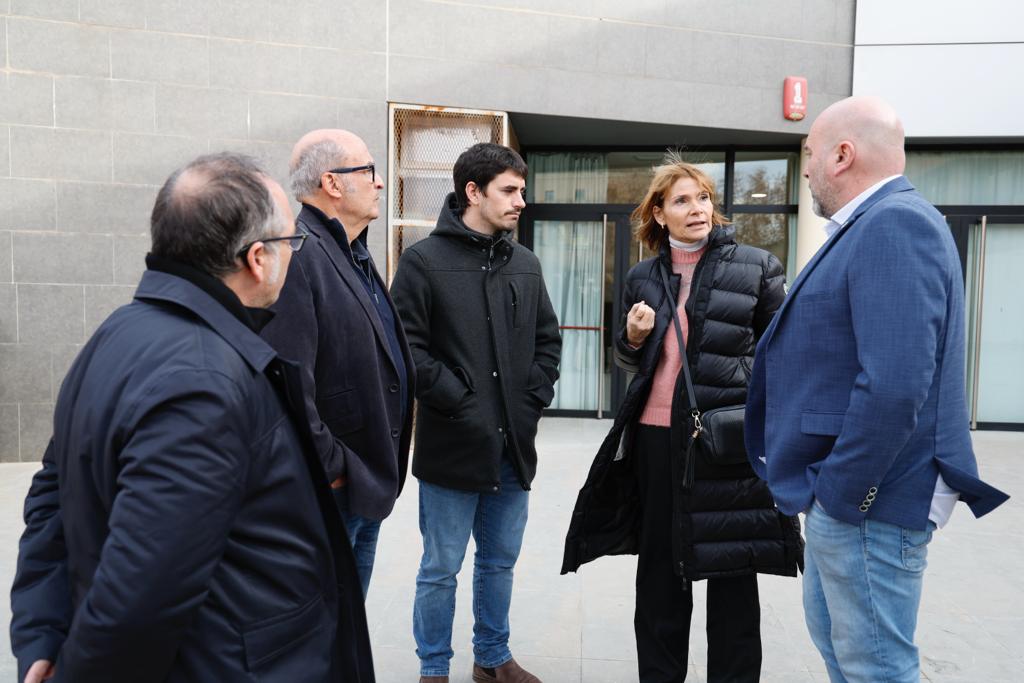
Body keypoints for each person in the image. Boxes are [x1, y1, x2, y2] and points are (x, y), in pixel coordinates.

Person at [9, 153, 374, 683]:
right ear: (257, 259)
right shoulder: (204, 380)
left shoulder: (119, 331)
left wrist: (41, 632)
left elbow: (50, 498)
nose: (293, 257)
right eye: (291, 243)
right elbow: (140, 594)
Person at [745, 96, 1010, 683]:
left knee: (877, 670)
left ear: (844, 154)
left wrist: (844, 494)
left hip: (870, 502)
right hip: (852, 498)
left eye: (810, 153)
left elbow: (894, 386)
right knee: (849, 659)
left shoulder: (894, 223)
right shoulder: (873, 224)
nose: (807, 168)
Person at [562, 155, 802, 683]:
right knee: (660, 577)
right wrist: (633, 338)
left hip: (728, 444)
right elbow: (625, 360)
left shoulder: (757, 267)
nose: (697, 209)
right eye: (682, 200)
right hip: (655, 439)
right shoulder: (642, 277)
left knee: (733, 575)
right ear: (658, 212)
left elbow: (783, 355)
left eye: (704, 198)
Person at [390, 143, 561, 683]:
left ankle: (492, 660)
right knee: (441, 570)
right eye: (509, 191)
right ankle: (433, 670)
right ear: (473, 192)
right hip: (452, 448)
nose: (521, 202)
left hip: (513, 449)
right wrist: (460, 403)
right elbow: (406, 353)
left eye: (522, 191)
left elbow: (547, 344)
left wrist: (530, 402)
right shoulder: (422, 262)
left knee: (499, 564)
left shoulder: (526, 264)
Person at [261, 129, 415, 599]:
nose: (380, 183)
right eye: (368, 171)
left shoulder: (354, 253)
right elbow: (288, 382)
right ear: (332, 183)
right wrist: (334, 467)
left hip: (365, 480)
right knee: (323, 626)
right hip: (337, 486)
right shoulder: (299, 255)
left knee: (346, 621)